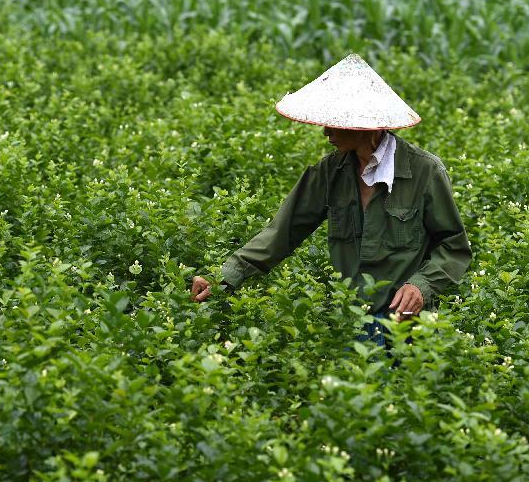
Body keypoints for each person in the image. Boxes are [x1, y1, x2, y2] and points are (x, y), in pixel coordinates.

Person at [189, 54, 472, 346]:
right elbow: (280, 234)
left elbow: (454, 247)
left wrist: (421, 286)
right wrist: (222, 276)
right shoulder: (328, 173)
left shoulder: (424, 172)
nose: (326, 132)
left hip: (407, 327)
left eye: (335, 123)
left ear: (364, 124)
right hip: (349, 321)